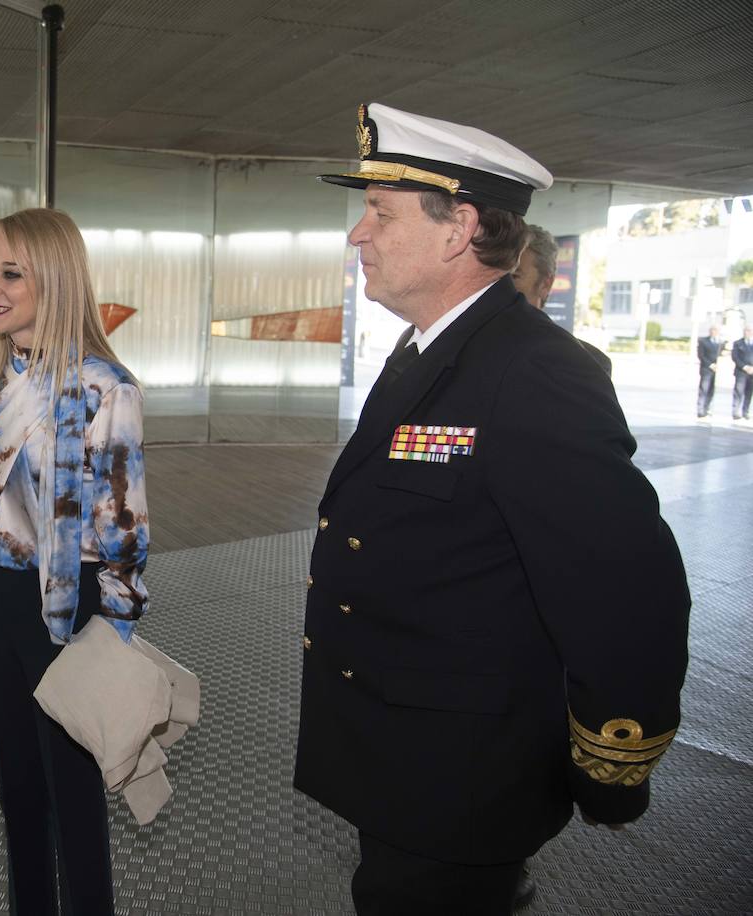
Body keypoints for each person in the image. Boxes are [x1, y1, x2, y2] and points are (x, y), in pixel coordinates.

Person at [294, 103, 690, 915]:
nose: (357, 235)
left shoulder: (534, 373)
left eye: (379, 212)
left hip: (461, 778)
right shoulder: (428, 351)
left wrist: (612, 763)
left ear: (458, 229)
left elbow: (624, 592)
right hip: (404, 756)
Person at [0, 207, 148, 916]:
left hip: (69, 612)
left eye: (10, 271)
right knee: (19, 797)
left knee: (76, 807)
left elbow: (123, 529)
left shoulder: (103, 386)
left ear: (52, 281)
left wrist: (114, 638)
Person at [513, 225, 611, 375]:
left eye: (514, 276)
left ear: (546, 284)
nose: (499, 285)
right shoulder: (476, 347)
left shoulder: (585, 364)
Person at [696, 325, 724, 419]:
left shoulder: (721, 343)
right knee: (704, 389)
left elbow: (722, 355)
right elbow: (701, 355)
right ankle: (700, 409)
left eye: (716, 330)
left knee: (711, 390)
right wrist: (710, 365)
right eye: (712, 330)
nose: (714, 332)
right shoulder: (703, 341)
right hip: (706, 369)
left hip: (717, 370)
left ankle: (707, 408)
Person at [733, 326, 753, 421]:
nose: (747, 332)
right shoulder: (738, 343)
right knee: (738, 392)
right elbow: (735, 357)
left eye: (749, 331)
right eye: (745, 331)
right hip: (741, 372)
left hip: (752, 373)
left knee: (749, 393)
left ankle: (746, 412)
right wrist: (744, 367)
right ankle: (736, 411)